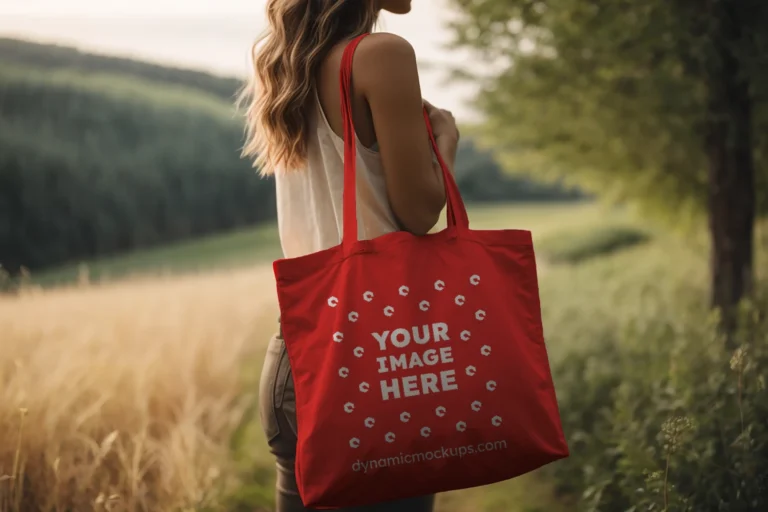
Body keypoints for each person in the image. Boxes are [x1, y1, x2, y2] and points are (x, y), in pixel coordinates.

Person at [239, 1, 460, 510]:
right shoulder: (382, 56)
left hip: (298, 361)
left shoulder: (286, 63)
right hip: (381, 358)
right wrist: (444, 145)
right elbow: (419, 212)